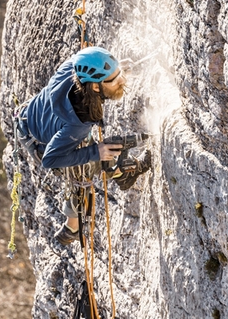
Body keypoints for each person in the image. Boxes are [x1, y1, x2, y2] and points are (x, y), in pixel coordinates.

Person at [17, 46, 151, 244]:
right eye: (115, 80)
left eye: (119, 75)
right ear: (96, 87)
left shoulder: (74, 67)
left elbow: (91, 63)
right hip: (41, 143)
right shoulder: (78, 121)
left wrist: (115, 72)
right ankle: (72, 226)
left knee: (90, 149)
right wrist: (96, 152)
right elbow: (50, 159)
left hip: (30, 116)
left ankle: (119, 173)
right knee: (84, 160)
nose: (122, 80)